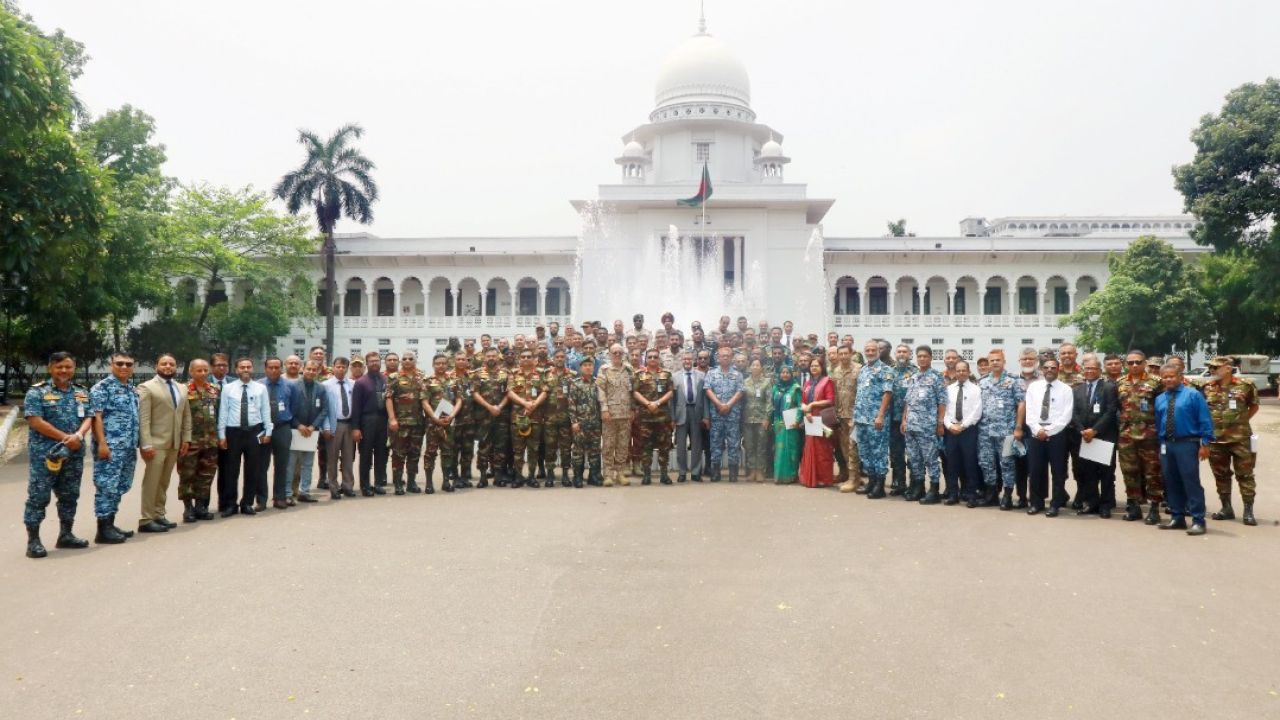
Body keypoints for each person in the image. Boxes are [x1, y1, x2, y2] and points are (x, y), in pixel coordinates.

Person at [22, 351, 92, 558]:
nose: (64, 370)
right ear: (50, 368)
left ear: (74, 368)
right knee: (39, 497)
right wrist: (65, 437)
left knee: (70, 495)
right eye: (59, 367)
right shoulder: (37, 392)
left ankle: (66, 534)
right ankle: (33, 540)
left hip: (74, 453)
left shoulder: (81, 392)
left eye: (68, 367)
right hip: (46, 455)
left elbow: (89, 416)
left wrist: (78, 436)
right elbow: (35, 421)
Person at [1153, 363, 1214, 535]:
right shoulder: (1160, 398)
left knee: (1190, 481)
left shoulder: (1193, 395)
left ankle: (1198, 520)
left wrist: (1205, 443)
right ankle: (1177, 517)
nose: (1168, 379)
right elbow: (1159, 423)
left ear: (1180, 377)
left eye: (1172, 376)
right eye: (1165, 377)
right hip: (1167, 444)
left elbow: (1205, 420)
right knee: (1171, 481)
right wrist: (1161, 444)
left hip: (1187, 443)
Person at [136, 353, 191, 531]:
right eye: (164, 363)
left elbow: (186, 416)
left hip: (175, 442)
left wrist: (186, 438)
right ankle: (146, 519)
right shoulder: (146, 387)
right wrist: (146, 444)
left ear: (176, 367)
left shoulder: (181, 388)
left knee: (164, 480)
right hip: (155, 443)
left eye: (172, 364)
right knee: (152, 481)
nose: (168, 366)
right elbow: (144, 418)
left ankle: (159, 514)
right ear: (156, 366)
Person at [1202, 356, 1259, 526]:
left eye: (1216, 367)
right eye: (1211, 367)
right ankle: (1226, 507)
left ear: (1227, 368)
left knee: (1245, 474)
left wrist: (1240, 422)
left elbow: (1254, 406)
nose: (1212, 370)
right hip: (1216, 440)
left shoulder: (1245, 385)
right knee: (1221, 475)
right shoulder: (1206, 388)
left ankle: (1248, 510)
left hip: (1240, 439)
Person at [90, 352, 141, 541]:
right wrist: (102, 444)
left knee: (120, 485)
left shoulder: (131, 388)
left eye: (129, 364)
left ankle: (110, 524)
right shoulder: (102, 388)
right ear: (112, 365)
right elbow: (96, 417)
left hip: (127, 447)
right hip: (110, 447)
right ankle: (102, 529)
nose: (124, 367)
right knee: (106, 486)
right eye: (120, 363)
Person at [215, 357, 273, 516]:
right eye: (242, 367)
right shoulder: (228, 388)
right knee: (231, 470)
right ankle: (230, 504)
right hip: (233, 432)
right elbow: (223, 412)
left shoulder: (260, 388)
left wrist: (268, 431)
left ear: (252, 369)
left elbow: (266, 411)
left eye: (248, 366)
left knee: (252, 469)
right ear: (236, 369)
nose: (246, 369)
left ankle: (247, 502)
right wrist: (221, 435)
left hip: (254, 432)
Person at [1117, 350, 1164, 525]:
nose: (1134, 365)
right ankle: (1134, 506)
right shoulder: (1120, 383)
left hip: (1149, 436)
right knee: (1130, 472)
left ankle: (1154, 509)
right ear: (1126, 365)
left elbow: (1163, 408)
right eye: (1130, 363)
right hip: (1126, 436)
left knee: (1152, 473)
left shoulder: (1156, 383)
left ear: (1144, 363)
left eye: (1138, 362)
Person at [1024, 358, 1074, 516]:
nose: (1049, 370)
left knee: (1058, 471)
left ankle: (1055, 504)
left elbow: (1066, 415)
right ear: (1041, 370)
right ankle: (1036, 503)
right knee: (1035, 469)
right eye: (1046, 367)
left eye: (1053, 367)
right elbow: (1029, 411)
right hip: (1035, 433)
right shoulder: (1033, 387)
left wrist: (1049, 431)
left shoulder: (1066, 389)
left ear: (1058, 369)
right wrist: (1037, 429)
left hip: (1057, 434)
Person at [1072, 354, 1119, 517]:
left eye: (1093, 368)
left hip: (1103, 436)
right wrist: (1082, 431)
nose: (1089, 371)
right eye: (1087, 368)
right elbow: (1074, 413)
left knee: (1106, 473)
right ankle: (1091, 502)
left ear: (1100, 370)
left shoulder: (1109, 387)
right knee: (1088, 472)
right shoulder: (1077, 389)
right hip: (1085, 437)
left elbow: (1110, 412)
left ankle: (1105, 505)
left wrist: (1095, 430)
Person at [977, 350, 1025, 510]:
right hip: (985, 431)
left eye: (998, 360)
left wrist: (1018, 427)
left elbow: (1021, 404)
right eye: (992, 361)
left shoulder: (1014, 381)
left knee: (1007, 463)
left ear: (1004, 361)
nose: (995, 363)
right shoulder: (982, 382)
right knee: (986, 463)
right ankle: (991, 495)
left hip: (1007, 432)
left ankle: (1007, 496)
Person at [900, 346, 947, 504]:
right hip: (911, 426)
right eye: (919, 356)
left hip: (927, 426)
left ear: (931, 358)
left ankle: (934, 490)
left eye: (925, 356)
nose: (922, 359)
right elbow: (908, 401)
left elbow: (942, 402)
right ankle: (918, 487)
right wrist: (904, 420)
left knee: (931, 459)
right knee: (914, 459)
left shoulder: (936, 377)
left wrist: (940, 423)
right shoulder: (913, 376)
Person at [177, 359, 220, 520]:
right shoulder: (183, 390)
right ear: (191, 372)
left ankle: (201, 506)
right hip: (190, 442)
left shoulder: (215, 390)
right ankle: (188, 508)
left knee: (206, 475)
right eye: (199, 370)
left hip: (210, 441)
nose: (202, 373)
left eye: (205, 370)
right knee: (187, 475)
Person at [853, 340, 895, 498]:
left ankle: (880, 485)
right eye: (867, 350)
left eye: (873, 350)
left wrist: (880, 415)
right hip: (861, 418)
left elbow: (888, 393)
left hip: (876, 419)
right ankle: (871, 482)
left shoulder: (886, 370)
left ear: (878, 351)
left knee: (879, 452)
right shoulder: (863, 369)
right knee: (865, 452)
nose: (870, 352)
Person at [287, 359, 329, 503]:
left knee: (308, 464)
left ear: (317, 372)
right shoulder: (292, 386)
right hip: (295, 430)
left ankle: (304, 492)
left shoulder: (321, 388)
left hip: (312, 431)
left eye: (314, 370)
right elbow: (287, 408)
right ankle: (287, 493)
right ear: (302, 369)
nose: (311, 372)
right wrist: (298, 425)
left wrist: (313, 426)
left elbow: (324, 409)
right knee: (291, 464)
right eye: (308, 369)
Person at [943, 360, 983, 506]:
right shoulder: (949, 389)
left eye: (963, 370)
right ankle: (953, 494)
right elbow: (945, 410)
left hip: (968, 431)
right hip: (951, 430)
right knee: (951, 464)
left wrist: (963, 426)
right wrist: (949, 425)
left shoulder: (975, 389)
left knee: (970, 463)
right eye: (958, 370)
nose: (961, 373)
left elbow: (976, 412)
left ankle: (971, 495)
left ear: (968, 371)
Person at [632, 349, 675, 485]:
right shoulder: (639, 375)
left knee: (664, 446)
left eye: (655, 357)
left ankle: (664, 474)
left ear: (659, 359)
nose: (652, 359)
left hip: (662, 418)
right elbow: (635, 392)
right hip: (645, 418)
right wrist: (647, 403)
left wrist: (657, 403)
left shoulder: (666, 374)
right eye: (649, 357)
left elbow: (671, 392)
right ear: (646, 359)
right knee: (646, 447)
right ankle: (647, 474)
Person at [386, 352, 427, 494]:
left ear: (416, 361)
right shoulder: (394, 377)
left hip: (417, 423)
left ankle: (411, 482)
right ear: (401, 362)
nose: (407, 361)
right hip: (400, 424)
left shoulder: (421, 377)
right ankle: (398, 484)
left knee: (414, 453)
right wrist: (392, 418)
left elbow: (425, 400)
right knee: (398, 454)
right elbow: (388, 398)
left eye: (411, 359)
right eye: (404, 359)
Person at [704, 345, 746, 482]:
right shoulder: (711, 373)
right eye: (723, 355)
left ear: (731, 358)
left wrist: (728, 405)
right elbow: (708, 390)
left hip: (732, 414)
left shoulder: (737, 374)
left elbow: (740, 391)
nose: (725, 358)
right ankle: (716, 472)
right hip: (716, 414)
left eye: (728, 355)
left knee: (733, 443)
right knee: (716, 443)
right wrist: (719, 404)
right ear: (718, 358)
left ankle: (733, 473)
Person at [472, 347, 512, 488]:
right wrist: (489, 407)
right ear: (484, 358)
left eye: (493, 356)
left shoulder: (505, 373)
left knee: (500, 447)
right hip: (483, 417)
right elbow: (475, 393)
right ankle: (483, 477)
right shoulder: (477, 374)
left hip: (501, 416)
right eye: (488, 356)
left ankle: (498, 476)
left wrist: (499, 407)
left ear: (498, 357)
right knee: (483, 447)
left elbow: (509, 393)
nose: (491, 358)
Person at [507, 349, 547, 488]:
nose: (525, 359)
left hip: (535, 417)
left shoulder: (540, 373)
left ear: (533, 359)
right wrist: (525, 403)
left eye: (528, 356)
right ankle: (518, 477)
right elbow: (510, 393)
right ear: (519, 359)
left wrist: (534, 405)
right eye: (523, 356)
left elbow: (545, 391)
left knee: (533, 449)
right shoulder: (513, 373)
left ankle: (531, 477)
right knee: (518, 450)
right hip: (518, 417)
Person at [351, 350, 390, 495]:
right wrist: (355, 428)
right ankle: (365, 485)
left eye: (377, 360)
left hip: (382, 420)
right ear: (366, 364)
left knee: (381, 453)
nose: (375, 363)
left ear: (380, 362)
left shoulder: (385, 380)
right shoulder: (361, 382)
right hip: (367, 420)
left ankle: (378, 483)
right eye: (371, 361)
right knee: (366, 454)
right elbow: (355, 407)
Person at [259, 357, 295, 509]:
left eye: (277, 367)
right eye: (270, 367)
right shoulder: (259, 386)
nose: (274, 370)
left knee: (282, 465)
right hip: (262, 429)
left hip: (282, 428)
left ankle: (280, 497)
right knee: (261, 466)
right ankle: (261, 500)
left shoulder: (289, 386)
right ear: (265, 368)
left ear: (281, 369)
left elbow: (294, 406)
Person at [597, 344, 635, 486]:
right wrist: (604, 409)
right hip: (610, 415)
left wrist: (632, 409)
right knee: (608, 445)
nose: (617, 355)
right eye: (615, 352)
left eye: (620, 352)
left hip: (625, 414)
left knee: (623, 445)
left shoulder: (629, 370)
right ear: (610, 354)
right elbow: (601, 390)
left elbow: (633, 391)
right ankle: (607, 474)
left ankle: (620, 473)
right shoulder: (604, 370)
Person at [422, 353, 458, 493]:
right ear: (433, 365)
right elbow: (424, 402)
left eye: (443, 363)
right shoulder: (427, 381)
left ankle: (446, 481)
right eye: (438, 363)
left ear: (447, 364)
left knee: (448, 453)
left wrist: (452, 415)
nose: (441, 366)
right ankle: (429, 483)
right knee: (430, 453)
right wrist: (435, 418)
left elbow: (459, 400)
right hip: (433, 423)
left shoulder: (453, 381)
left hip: (449, 421)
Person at [321, 357, 356, 499]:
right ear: (333, 367)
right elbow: (323, 409)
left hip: (349, 425)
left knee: (348, 458)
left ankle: (348, 486)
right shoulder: (325, 385)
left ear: (348, 368)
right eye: (338, 366)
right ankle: (334, 487)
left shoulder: (353, 384)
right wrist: (326, 427)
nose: (341, 369)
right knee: (332, 458)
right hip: (334, 424)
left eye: (344, 367)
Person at [797, 358, 835, 488]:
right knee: (810, 447)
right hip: (810, 418)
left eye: (816, 366)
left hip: (822, 418)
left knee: (822, 449)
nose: (813, 368)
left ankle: (823, 478)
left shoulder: (827, 381)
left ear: (822, 367)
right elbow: (802, 401)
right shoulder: (807, 383)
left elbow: (830, 400)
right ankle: (810, 478)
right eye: (812, 366)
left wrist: (812, 404)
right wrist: (806, 411)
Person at [830, 345, 862, 493]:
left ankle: (853, 480)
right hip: (841, 416)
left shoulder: (859, 369)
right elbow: (835, 394)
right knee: (844, 448)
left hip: (855, 416)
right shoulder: (836, 371)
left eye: (845, 353)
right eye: (840, 354)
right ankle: (854, 476)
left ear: (851, 354)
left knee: (853, 447)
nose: (843, 356)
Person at [671, 350, 706, 482]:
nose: (687, 361)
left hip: (696, 412)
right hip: (681, 412)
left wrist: (706, 416)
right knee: (680, 445)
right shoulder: (674, 377)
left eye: (689, 359)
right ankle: (682, 472)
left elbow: (704, 398)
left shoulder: (702, 376)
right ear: (682, 360)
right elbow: (672, 400)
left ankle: (696, 472)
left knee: (696, 443)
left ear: (693, 361)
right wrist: (672, 417)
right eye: (685, 359)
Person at [542, 349, 575, 486]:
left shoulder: (572, 376)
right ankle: (550, 474)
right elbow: (542, 396)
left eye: (562, 357)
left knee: (566, 448)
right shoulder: (546, 375)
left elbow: (574, 398)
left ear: (565, 358)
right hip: (549, 418)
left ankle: (566, 474)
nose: (560, 359)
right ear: (553, 359)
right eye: (557, 357)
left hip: (566, 419)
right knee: (550, 447)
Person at [569, 358, 603, 487]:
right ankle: (578, 477)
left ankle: (593, 476)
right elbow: (571, 404)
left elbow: (600, 403)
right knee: (578, 451)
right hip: (581, 423)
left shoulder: (597, 383)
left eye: (590, 365)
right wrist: (574, 422)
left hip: (595, 423)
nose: (588, 367)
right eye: (585, 365)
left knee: (595, 451)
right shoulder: (575, 383)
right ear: (580, 368)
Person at [447, 354, 476, 487]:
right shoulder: (448, 377)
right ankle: (455, 476)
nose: (460, 361)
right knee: (453, 450)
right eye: (458, 359)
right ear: (454, 361)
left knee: (467, 450)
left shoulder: (472, 377)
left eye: (463, 359)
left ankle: (465, 476)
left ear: (467, 362)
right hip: (454, 419)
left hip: (469, 420)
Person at [771, 366, 803, 484]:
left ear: (791, 374)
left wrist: (798, 420)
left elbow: (800, 405)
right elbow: (772, 405)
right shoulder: (775, 388)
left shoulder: (795, 388)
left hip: (791, 424)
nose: (785, 374)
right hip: (778, 424)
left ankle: (792, 476)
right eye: (782, 372)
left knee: (792, 450)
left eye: (787, 372)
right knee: (779, 450)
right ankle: (779, 476)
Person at [742, 358, 773, 483]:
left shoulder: (767, 382)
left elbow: (769, 401)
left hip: (761, 420)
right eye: (753, 365)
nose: (755, 367)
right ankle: (752, 471)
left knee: (761, 446)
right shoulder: (745, 382)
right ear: (749, 367)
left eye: (757, 365)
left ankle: (760, 471)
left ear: (761, 368)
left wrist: (767, 417)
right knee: (749, 446)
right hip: (747, 419)